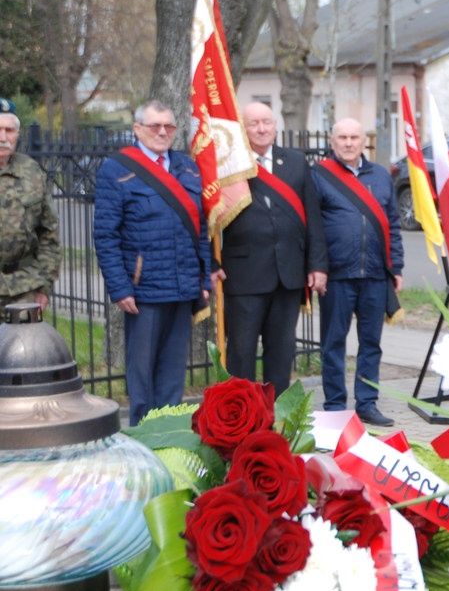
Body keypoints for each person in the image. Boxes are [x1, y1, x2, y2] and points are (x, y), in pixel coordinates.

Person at [93, 100, 211, 425]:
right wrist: (119, 287)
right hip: (142, 290)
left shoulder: (187, 167)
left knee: (173, 373)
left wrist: (203, 279)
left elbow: (200, 230)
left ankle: (168, 432)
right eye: (155, 126)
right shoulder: (116, 169)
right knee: (142, 374)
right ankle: (143, 436)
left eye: (168, 127)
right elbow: (105, 235)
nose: (162, 132)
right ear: (137, 130)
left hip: (183, 285)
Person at [213, 102, 328, 393]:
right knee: (242, 354)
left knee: (281, 353)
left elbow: (312, 217)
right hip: (244, 275)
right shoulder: (229, 165)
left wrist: (317, 265)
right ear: (243, 128)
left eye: (267, 122)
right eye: (254, 123)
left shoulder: (295, 161)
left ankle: (275, 417)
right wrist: (210, 263)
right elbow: (209, 220)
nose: (262, 129)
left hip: (288, 275)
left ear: (276, 126)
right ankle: (243, 419)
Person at [313, 118, 402, 427]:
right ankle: (336, 406)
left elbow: (393, 224)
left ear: (365, 140)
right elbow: (313, 228)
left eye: (354, 136)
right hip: (337, 275)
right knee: (333, 343)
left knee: (371, 343)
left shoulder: (380, 175)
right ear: (332, 140)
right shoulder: (319, 175)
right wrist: (318, 268)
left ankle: (367, 403)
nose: (349, 143)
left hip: (376, 275)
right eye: (343, 137)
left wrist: (397, 267)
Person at [0, 99, 59, 310]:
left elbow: (49, 233)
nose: (3, 138)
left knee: (25, 344)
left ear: (17, 134)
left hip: (24, 288)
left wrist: (44, 286)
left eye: (9, 130)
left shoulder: (32, 171)